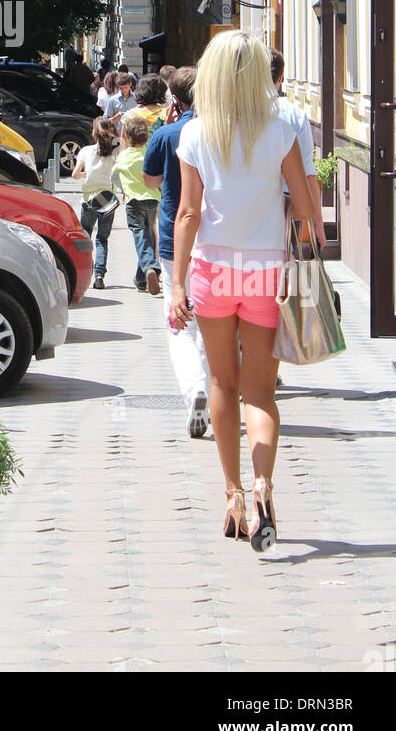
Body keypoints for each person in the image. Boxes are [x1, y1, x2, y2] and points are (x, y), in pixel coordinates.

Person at [170, 32, 313, 553]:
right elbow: (302, 205)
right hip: (265, 272)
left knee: (222, 387)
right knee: (262, 392)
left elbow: (188, 212)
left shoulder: (196, 133)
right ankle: (263, 486)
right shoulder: (282, 130)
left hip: (213, 270)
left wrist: (177, 284)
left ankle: (232, 496)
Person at [142, 66, 211, 438]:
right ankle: (211, 395)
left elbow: (150, 179)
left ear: (175, 100)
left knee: (180, 327)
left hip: (173, 240)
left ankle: (194, 390)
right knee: (208, 327)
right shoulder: (219, 132)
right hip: (215, 239)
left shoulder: (166, 134)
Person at [268, 48, 326, 249]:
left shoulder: (239, 111)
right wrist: (317, 224)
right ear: (281, 76)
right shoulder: (295, 115)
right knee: (286, 268)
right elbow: (309, 174)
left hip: (249, 210)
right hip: (288, 209)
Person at [112, 114, 162, 295]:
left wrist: (123, 188)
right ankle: (141, 279)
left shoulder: (124, 156)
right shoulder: (149, 153)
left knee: (140, 236)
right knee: (149, 235)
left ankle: (150, 267)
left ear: (127, 137)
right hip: (152, 200)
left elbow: (114, 176)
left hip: (133, 202)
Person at [72, 117, 120, 289]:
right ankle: (99, 275)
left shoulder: (86, 151)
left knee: (85, 234)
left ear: (93, 133)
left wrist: (88, 175)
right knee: (102, 238)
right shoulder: (116, 151)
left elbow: (75, 174)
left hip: (88, 200)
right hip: (107, 200)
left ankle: (83, 271)